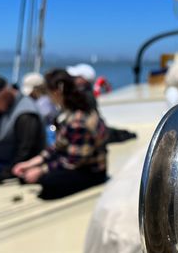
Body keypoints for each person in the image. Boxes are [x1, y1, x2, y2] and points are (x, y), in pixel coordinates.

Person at [12, 69, 108, 199]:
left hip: (91, 171)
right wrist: (30, 163)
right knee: (29, 176)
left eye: (48, 92)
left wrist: (41, 170)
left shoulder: (77, 120)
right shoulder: (70, 111)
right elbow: (58, 146)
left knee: (47, 182)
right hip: (78, 161)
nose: (47, 96)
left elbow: (74, 161)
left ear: (57, 92)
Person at [0, 75, 45, 186]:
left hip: (17, 172)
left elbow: (25, 154)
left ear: (5, 92)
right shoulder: (2, 107)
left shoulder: (26, 115)